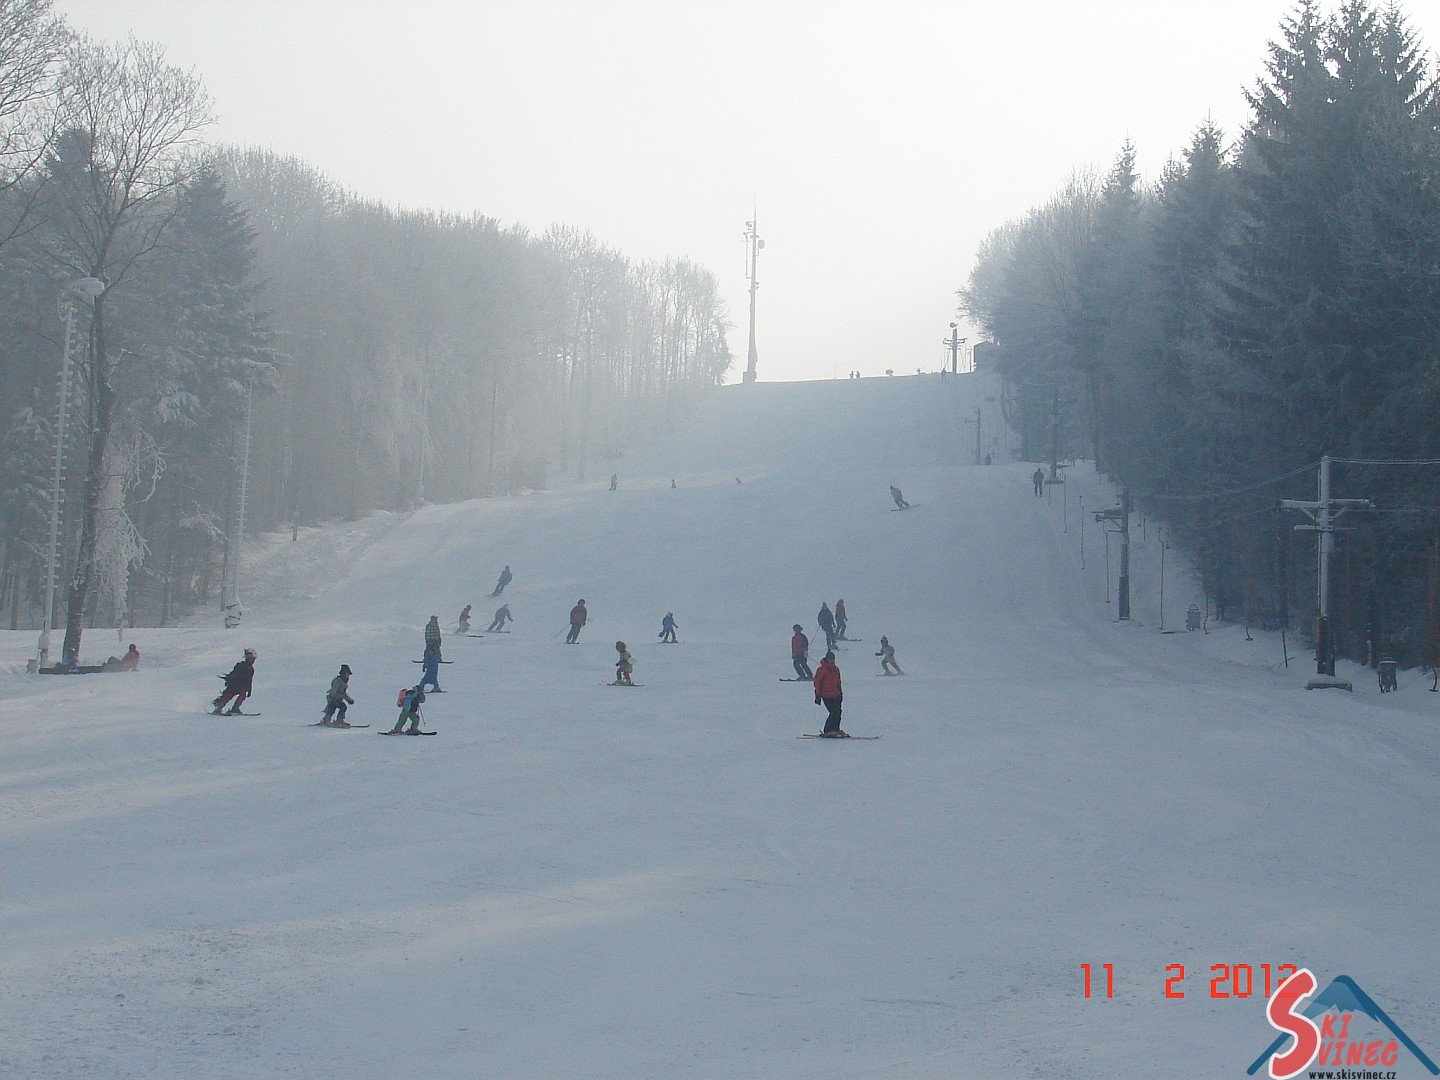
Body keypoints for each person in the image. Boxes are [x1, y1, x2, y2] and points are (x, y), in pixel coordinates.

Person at [213, 648, 257, 715]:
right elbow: (234, 674)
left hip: (242, 687)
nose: (252, 660)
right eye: (250, 658)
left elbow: (249, 680)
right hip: (234, 685)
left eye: (253, 659)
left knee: (243, 695)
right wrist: (230, 681)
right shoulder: (240, 665)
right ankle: (218, 708)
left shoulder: (251, 669)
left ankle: (235, 708)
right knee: (228, 696)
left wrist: (249, 689)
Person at [813, 650, 845, 737]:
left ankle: (835, 728)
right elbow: (817, 683)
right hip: (826, 695)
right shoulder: (822, 669)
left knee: (838, 712)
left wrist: (840, 693)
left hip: (836, 694)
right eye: (830, 659)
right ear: (827, 659)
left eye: (833, 659)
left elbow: (838, 682)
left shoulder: (835, 669)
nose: (832, 661)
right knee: (833, 712)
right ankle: (827, 730)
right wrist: (817, 696)